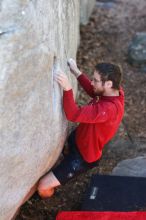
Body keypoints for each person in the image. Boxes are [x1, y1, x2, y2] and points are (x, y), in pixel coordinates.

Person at [37, 59, 124, 198]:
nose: (91, 82)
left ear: (108, 84)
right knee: (65, 152)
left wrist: (67, 88)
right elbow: (94, 91)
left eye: (95, 80)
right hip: (79, 138)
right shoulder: (115, 92)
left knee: (43, 186)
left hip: (83, 157)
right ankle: (62, 168)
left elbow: (73, 114)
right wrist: (76, 72)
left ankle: (46, 197)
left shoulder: (108, 110)